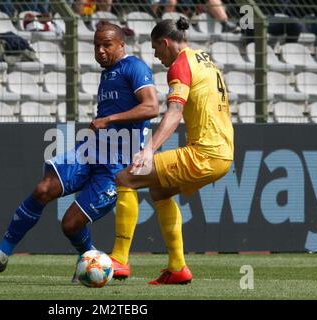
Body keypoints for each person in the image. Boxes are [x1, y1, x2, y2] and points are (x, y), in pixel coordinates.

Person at [0, 22, 159, 277]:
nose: (100, 51)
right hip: (92, 150)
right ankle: (1, 254)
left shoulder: (135, 67)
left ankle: (91, 260)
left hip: (116, 165)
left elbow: (152, 107)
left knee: (70, 224)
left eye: (106, 45)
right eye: (96, 45)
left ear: (121, 45)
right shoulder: (108, 72)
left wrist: (108, 121)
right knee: (43, 189)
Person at [109, 17, 234, 285]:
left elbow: (174, 112)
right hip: (223, 153)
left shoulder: (179, 65)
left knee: (125, 178)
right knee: (160, 190)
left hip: (205, 153)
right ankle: (177, 268)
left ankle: (119, 259)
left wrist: (148, 150)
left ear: (165, 43)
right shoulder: (204, 59)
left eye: (156, 49)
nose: (156, 56)